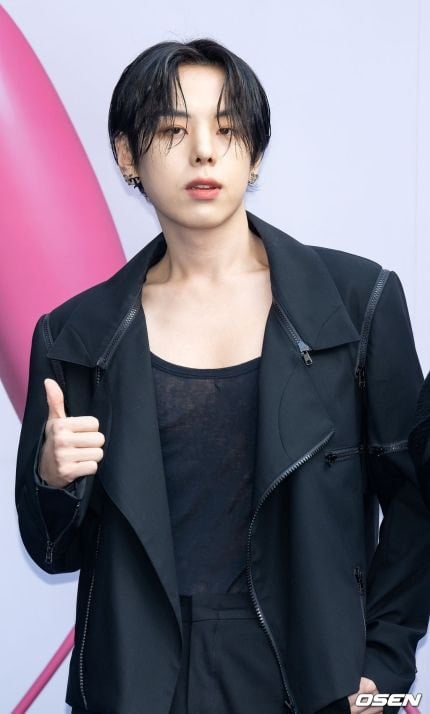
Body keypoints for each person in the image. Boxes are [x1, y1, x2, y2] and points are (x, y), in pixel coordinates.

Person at [15, 38, 430, 714]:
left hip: (311, 674)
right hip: (140, 680)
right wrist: (52, 480)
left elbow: (416, 504)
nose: (204, 152)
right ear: (127, 154)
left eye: (228, 129)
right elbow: (55, 552)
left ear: (255, 153)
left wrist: (382, 661)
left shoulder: (357, 304)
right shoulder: (76, 336)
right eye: (173, 130)